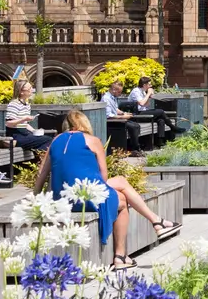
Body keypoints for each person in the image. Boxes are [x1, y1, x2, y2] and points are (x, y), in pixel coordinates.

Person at [34, 111, 179, 269]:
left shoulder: (55, 141)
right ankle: (121, 255)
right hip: (85, 197)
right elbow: (103, 178)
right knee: (122, 201)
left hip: (61, 199)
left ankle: (157, 222)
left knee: (121, 182)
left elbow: (41, 176)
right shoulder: (93, 141)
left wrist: (36, 201)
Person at [5, 78, 53, 153]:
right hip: (15, 135)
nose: (31, 90)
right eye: (29, 89)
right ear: (21, 92)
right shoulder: (14, 104)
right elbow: (8, 123)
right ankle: (40, 158)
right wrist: (24, 119)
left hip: (25, 133)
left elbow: (25, 125)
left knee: (47, 139)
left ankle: (39, 157)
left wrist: (34, 131)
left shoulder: (27, 104)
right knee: (48, 140)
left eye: (31, 88)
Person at [127, 76, 174, 144]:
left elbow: (146, 105)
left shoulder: (143, 92)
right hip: (136, 114)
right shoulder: (136, 91)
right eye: (149, 84)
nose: (150, 86)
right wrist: (148, 93)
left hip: (143, 112)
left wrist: (149, 96)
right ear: (144, 85)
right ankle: (172, 127)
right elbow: (142, 103)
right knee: (160, 111)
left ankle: (160, 142)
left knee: (161, 120)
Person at [101, 79, 143, 154]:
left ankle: (134, 148)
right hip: (111, 122)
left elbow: (115, 109)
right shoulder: (106, 98)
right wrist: (123, 117)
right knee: (133, 127)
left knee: (136, 125)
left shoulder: (113, 97)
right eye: (119, 92)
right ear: (114, 90)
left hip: (117, 119)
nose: (120, 94)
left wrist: (124, 113)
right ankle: (135, 149)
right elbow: (108, 115)